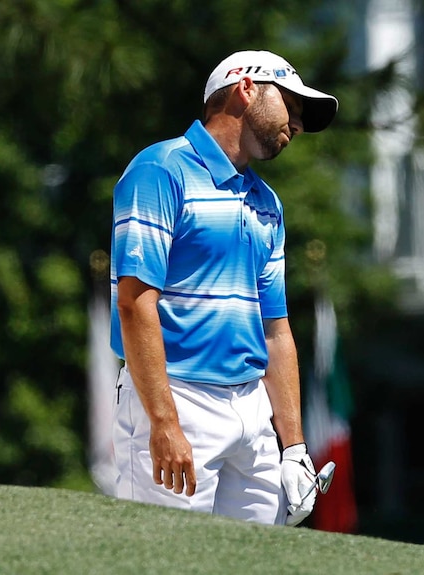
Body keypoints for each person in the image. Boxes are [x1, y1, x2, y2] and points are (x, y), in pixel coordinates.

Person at [109, 50, 338, 526]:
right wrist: (164, 422)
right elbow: (134, 303)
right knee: (166, 562)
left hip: (251, 412)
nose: (296, 124)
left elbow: (275, 330)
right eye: (291, 105)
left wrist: (293, 445)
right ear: (245, 87)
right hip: (177, 395)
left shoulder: (267, 202)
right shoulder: (161, 170)